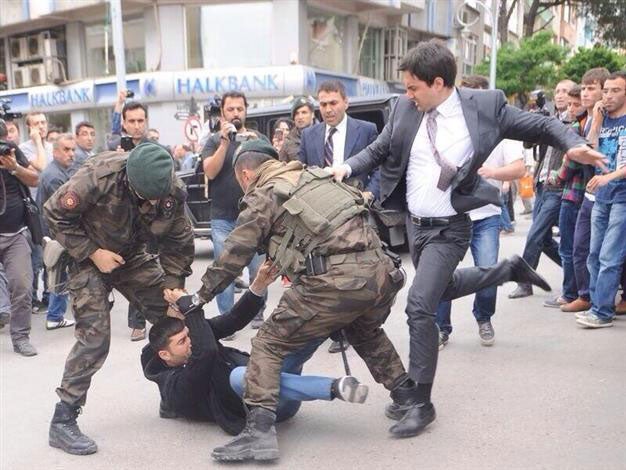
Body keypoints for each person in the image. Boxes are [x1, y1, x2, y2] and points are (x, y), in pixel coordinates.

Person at [171, 140, 553, 461]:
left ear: (245, 175)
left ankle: (259, 432)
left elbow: (233, 253)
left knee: (269, 342)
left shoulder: (265, 193)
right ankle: (408, 397)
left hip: (334, 281)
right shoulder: (314, 177)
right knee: (364, 330)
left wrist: (198, 298)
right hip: (381, 272)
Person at [328, 40, 603, 439]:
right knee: (440, 289)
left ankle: (420, 402)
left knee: (420, 306)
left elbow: (541, 124)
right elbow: (380, 148)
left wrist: (572, 143)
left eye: (413, 88)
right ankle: (507, 270)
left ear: (438, 83)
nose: (407, 95)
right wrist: (346, 167)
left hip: (451, 227)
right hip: (415, 225)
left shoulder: (485, 105)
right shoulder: (406, 110)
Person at [44, 143, 195, 456]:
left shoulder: (170, 188)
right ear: (129, 181)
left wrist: (172, 287)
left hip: (132, 257)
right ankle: (63, 418)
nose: (154, 202)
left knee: (175, 320)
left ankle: (174, 393)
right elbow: (54, 213)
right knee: (95, 337)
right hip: (89, 257)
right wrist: (93, 253)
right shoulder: (98, 177)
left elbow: (179, 242)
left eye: (158, 197)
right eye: (146, 198)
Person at [144, 260, 368, 439]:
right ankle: (334, 388)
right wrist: (189, 307)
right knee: (242, 376)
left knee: (291, 336)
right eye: (182, 342)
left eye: (188, 335)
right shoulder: (175, 389)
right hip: (266, 407)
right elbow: (207, 353)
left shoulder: (195, 339)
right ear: (165, 354)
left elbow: (233, 320)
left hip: (270, 377)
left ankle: (338, 313)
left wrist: (258, 285)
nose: (190, 341)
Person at [435, 75, 525, 349]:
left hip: (486, 216)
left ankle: (484, 317)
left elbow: (519, 168)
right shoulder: (445, 126)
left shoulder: (501, 128)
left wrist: (492, 172)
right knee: (440, 276)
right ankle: (441, 328)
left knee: (487, 272)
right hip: (449, 216)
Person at [298, 80, 380, 353]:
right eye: (323, 104)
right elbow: (303, 171)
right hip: (321, 217)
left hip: (355, 212)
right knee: (328, 273)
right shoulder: (309, 135)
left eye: (333, 103)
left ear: (346, 102)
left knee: (355, 271)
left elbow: (380, 167)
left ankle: (358, 325)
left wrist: (370, 193)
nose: (328, 109)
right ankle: (337, 331)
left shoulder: (366, 130)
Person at [201, 91, 267, 331]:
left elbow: (271, 169)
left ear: (246, 111)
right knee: (224, 270)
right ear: (222, 113)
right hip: (222, 218)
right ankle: (226, 319)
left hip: (255, 216)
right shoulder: (213, 141)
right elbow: (209, 172)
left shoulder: (257, 137)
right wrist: (224, 143)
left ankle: (257, 313)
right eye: (231, 109)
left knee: (257, 269)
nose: (236, 113)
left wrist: (253, 145)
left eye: (240, 108)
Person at [509, 79, 577, 301]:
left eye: (565, 91)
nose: (560, 95)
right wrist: (533, 122)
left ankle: (525, 282)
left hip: (558, 186)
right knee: (545, 239)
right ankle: (576, 272)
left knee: (535, 234)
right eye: (557, 91)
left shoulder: (574, 123)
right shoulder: (549, 119)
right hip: (541, 184)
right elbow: (528, 145)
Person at [576, 71, 626, 328]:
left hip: (622, 196)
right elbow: (589, 149)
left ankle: (603, 311)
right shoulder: (602, 118)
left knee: (610, 256)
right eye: (606, 90)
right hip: (601, 196)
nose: (608, 95)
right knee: (594, 254)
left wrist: (609, 177)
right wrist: (595, 121)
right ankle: (597, 306)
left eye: (615, 91)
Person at [561, 68, 611, 313]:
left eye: (592, 88)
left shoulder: (607, 117)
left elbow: (589, 155)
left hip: (608, 191)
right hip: (590, 194)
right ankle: (585, 295)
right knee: (581, 248)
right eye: (584, 87)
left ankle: (598, 301)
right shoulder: (587, 119)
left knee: (605, 253)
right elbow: (587, 149)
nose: (585, 93)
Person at [0, 118, 40, 355]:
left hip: (15, 235)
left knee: (23, 288)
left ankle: (21, 338)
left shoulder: (11, 154)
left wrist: (14, 167)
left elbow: (35, 178)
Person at [36, 134, 77, 330]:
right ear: (55, 152)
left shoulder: (61, 171)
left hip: (56, 232)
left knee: (61, 274)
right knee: (60, 274)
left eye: (72, 149)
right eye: (66, 150)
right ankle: (54, 316)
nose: (71, 154)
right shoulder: (54, 176)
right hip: (56, 234)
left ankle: (56, 314)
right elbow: (64, 210)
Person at [19, 112, 54, 314]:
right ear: (29, 128)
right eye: (36, 124)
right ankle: (32, 298)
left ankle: (49, 295)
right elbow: (42, 167)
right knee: (36, 258)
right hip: (32, 211)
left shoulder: (51, 148)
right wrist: (38, 142)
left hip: (50, 209)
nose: (41, 126)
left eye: (43, 122)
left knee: (51, 255)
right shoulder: (24, 149)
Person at [279, 96, 316, 162]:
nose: (300, 117)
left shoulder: (324, 133)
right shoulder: (289, 141)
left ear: (312, 115)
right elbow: (282, 167)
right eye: (297, 113)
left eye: (304, 112)